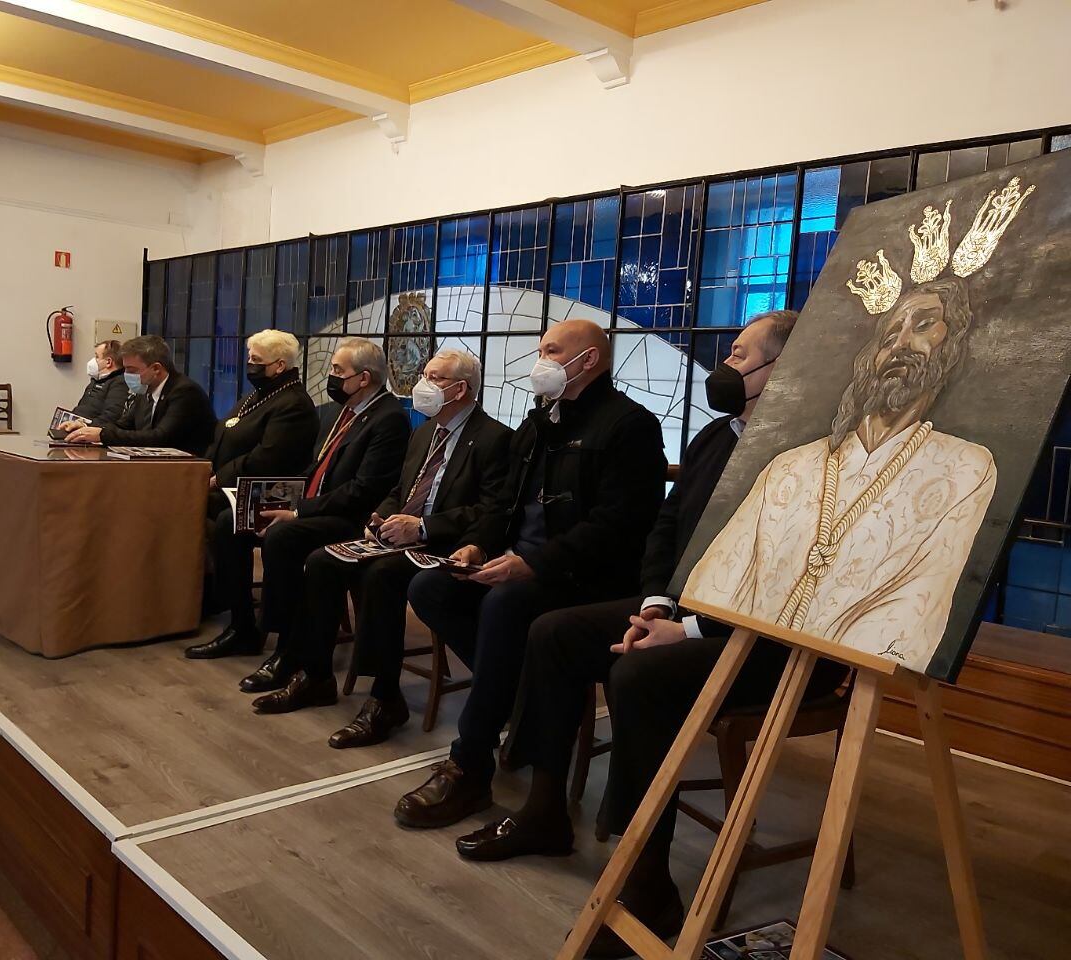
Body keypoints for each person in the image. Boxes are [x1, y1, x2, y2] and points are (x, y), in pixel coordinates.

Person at [452, 311, 846, 958]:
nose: (726, 365)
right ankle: (545, 809)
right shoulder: (717, 436)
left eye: (740, 354)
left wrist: (688, 629)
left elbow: (794, 571)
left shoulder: (817, 453)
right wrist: (659, 602)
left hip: (778, 640)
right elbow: (666, 526)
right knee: (554, 633)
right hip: (688, 608)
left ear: (785, 368)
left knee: (636, 673)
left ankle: (649, 880)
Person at [393, 319, 667, 831]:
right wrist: (479, 544)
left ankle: (469, 763)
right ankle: (519, 691)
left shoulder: (629, 425)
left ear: (588, 360)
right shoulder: (539, 420)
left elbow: (620, 524)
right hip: (520, 561)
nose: (541, 361)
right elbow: (504, 501)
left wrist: (534, 563)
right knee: (432, 587)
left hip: (587, 574)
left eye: (552, 351)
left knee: (506, 605)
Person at [686, 278, 995, 670]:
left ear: (951, 348)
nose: (900, 345)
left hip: (829, 662)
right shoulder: (789, 465)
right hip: (748, 638)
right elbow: (721, 581)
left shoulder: (965, 469)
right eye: (889, 336)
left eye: (922, 327)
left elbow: (914, 610)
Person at [249, 349, 512, 746]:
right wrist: (382, 516)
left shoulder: (494, 438)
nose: (423, 385)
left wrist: (422, 527)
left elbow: (490, 511)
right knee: (323, 561)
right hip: (399, 536)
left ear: (460, 390)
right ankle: (315, 674)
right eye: (424, 375)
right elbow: (400, 489)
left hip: (447, 545)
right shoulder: (424, 431)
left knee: (382, 575)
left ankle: (385, 697)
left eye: (435, 378)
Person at [186, 338, 409, 673]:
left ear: (364, 378)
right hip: (314, 503)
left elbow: (363, 490)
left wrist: (298, 511)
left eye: (338, 370)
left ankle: (288, 645)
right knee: (231, 520)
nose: (331, 376)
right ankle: (241, 626)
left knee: (282, 537)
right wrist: (272, 497)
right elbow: (314, 468)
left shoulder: (388, 418)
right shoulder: (341, 410)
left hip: (350, 518)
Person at [182, 330, 320, 658]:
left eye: (256, 360)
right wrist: (204, 467)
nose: (249, 365)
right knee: (186, 505)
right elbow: (224, 432)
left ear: (280, 365)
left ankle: (241, 623)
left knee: (224, 520)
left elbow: (267, 458)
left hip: (274, 491)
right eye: (249, 357)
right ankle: (199, 597)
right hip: (238, 483)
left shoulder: (294, 404)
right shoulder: (260, 394)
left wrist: (218, 479)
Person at [65, 335, 215, 456]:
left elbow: (160, 437)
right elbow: (124, 425)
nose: (126, 375)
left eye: (132, 370)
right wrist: (87, 428)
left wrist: (103, 435)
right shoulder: (146, 390)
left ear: (156, 368)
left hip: (189, 470)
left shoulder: (185, 392)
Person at [70, 340, 129, 426]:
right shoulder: (96, 381)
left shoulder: (119, 383)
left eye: (97, 357)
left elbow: (111, 417)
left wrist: (84, 426)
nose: (93, 360)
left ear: (108, 362)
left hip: (88, 430)